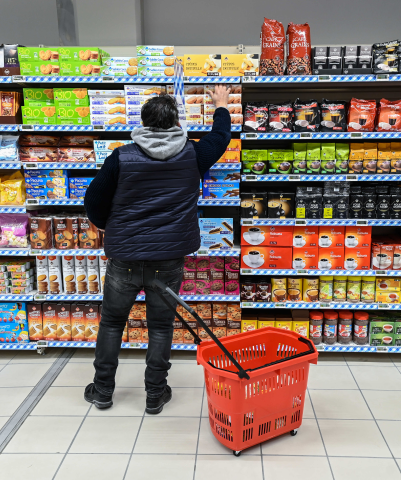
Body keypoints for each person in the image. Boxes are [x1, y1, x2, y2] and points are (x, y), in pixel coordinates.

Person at [83, 85, 231, 414]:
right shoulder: (194, 154)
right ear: (176, 122)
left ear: (143, 122)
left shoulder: (122, 156)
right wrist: (220, 104)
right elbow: (221, 136)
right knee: (161, 326)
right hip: (169, 258)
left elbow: (93, 200)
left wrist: (105, 224)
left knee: (111, 323)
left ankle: (103, 391)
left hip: (125, 257)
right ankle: (155, 394)